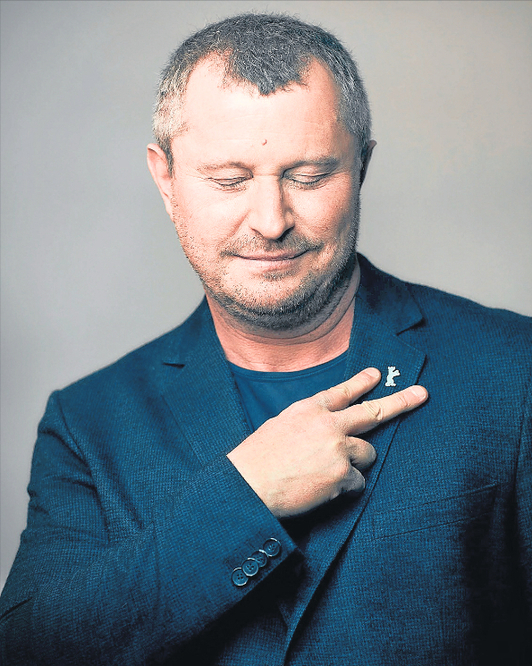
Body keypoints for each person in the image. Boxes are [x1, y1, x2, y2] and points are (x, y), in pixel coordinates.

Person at [1, 12, 530, 666]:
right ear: (166, 179)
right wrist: (243, 498)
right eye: (229, 180)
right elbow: (29, 651)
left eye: (307, 176)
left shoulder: (516, 373)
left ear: (361, 166)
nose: (271, 221)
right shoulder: (87, 423)